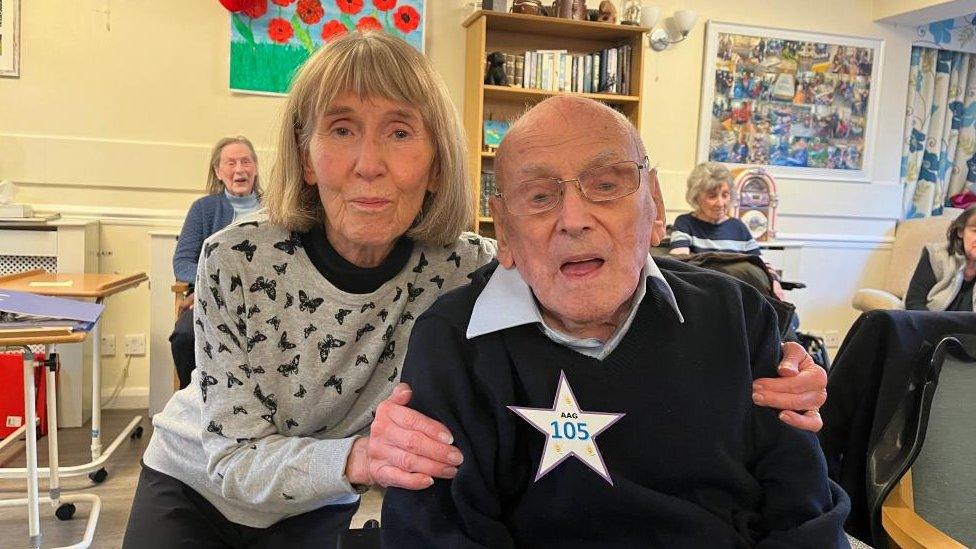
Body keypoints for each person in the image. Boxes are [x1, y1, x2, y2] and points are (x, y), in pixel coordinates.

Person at [124, 32, 827, 548]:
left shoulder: (470, 267)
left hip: (335, 501)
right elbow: (230, 452)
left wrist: (769, 342)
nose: (369, 164)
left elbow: (598, 258)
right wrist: (360, 456)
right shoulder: (234, 258)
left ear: (435, 163)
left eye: (400, 132)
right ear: (306, 154)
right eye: (341, 130)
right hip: (207, 481)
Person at [381, 97, 848, 547]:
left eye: (606, 186)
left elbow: (804, 509)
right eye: (540, 196)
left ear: (656, 206)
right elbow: (434, 535)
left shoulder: (737, 314)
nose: (574, 219)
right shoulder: (452, 342)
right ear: (503, 230)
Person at [170, 136, 262, 388]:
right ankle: (194, 404)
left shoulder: (275, 207)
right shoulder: (203, 209)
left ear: (255, 168)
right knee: (184, 337)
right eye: (231, 163)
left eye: (246, 161)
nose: (240, 169)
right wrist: (216, 285)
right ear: (218, 172)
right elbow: (182, 263)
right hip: (210, 298)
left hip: (263, 302)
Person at [670, 161, 785, 300]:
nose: (720, 203)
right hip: (702, 297)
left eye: (725, 195)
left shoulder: (739, 228)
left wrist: (775, 282)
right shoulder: (685, 223)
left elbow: (761, 263)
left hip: (737, 297)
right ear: (696, 197)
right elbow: (680, 266)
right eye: (712, 196)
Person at [905, 205, 976, 311]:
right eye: (975, 231)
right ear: (960, 232)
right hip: (926, 323)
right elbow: (914, 302)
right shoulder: (936, 256)